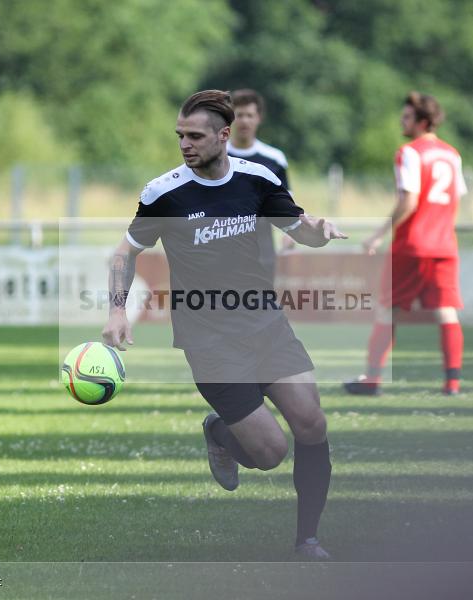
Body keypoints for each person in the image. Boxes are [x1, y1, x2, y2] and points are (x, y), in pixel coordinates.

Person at [102, 90, 346, 559]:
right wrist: (116, 309)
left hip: (266, 325)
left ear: (224, 136)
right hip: (209, 340)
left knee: (312, 424)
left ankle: (307, 541)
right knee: (271, 453)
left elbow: (300, 230)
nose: (185, 144)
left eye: (195, 136)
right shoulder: (163, 193)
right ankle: (219, 431)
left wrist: (318, 230)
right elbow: (125, 252)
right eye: (180, 136)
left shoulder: (258, 178)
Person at [344, 91, 466, 396]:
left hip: (412, 246)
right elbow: (455, 199)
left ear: (423, 121)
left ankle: (372, 379)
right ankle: (452, 382)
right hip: (444, 246)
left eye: (407, 116)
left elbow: (409, 200)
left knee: (388, 311)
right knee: (447, 312)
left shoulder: (409, 152)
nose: (402, 120)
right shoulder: (453, 155)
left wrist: (379, 232)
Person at [227, 88, 293, 277]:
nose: (244, 121)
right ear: (230, 118)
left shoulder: (274, 158)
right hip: (219, 246)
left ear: (259, 118)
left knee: (260, 304)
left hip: (261, 246)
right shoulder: (214, 155)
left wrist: (289, 233)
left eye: (250, 115)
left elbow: (285, 202)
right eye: (239, 115)